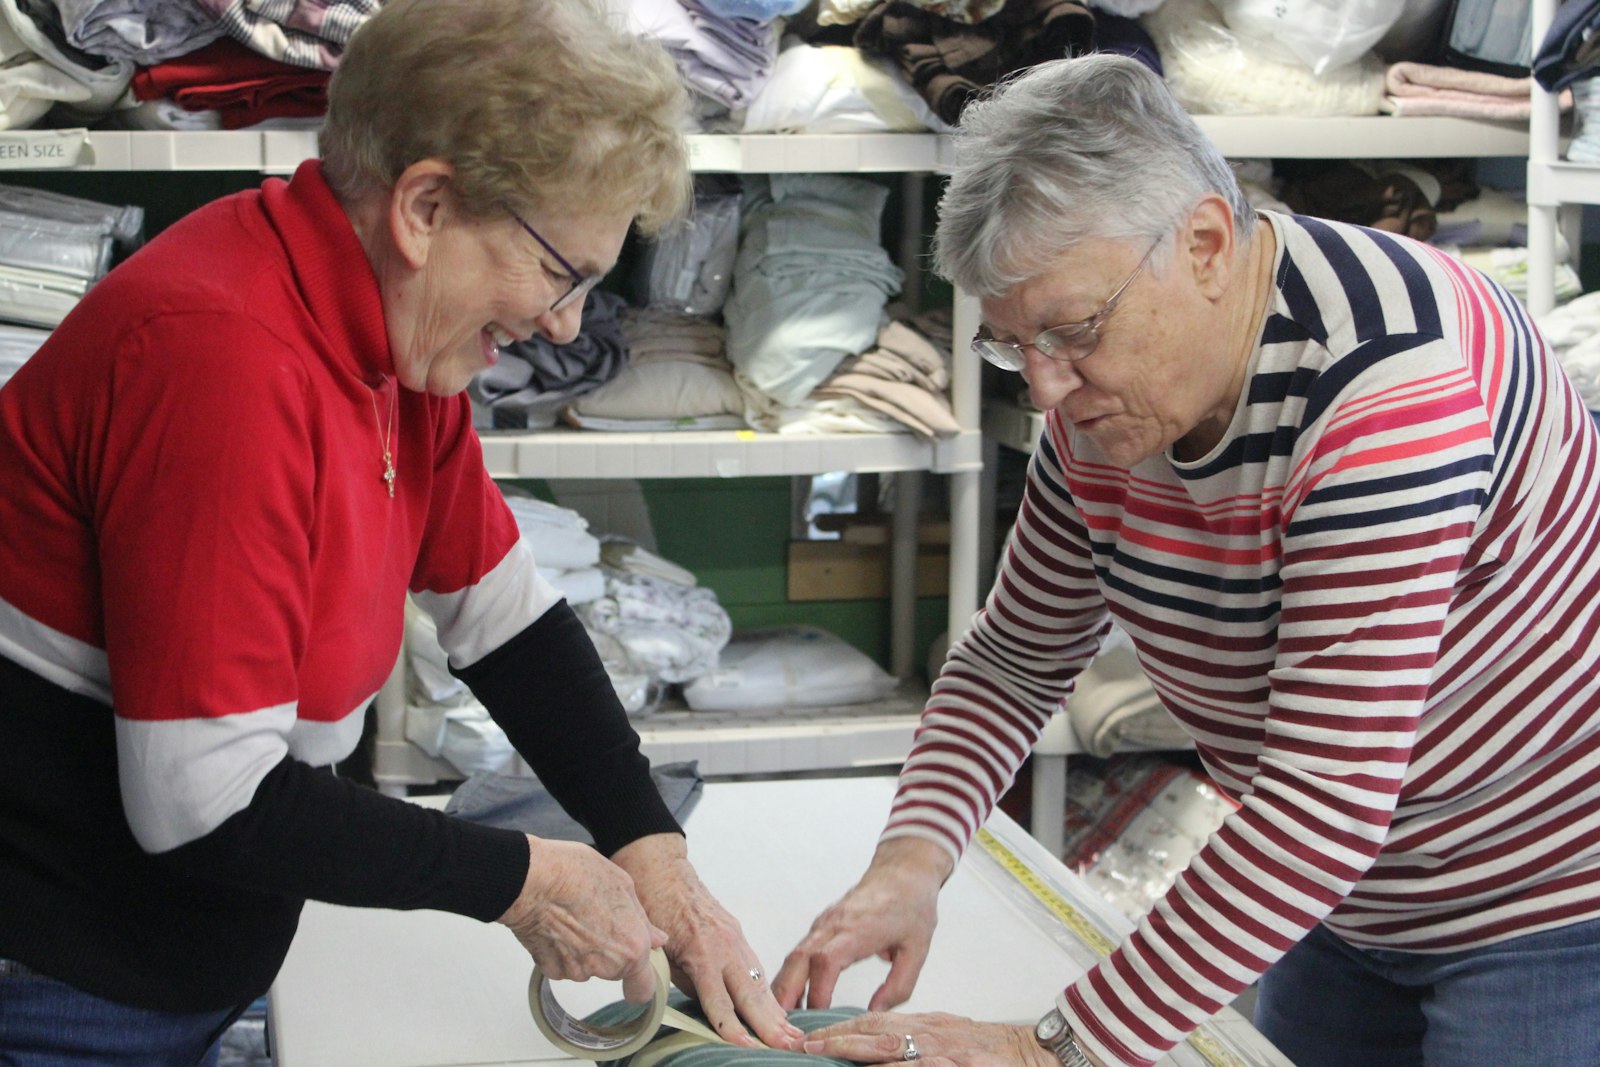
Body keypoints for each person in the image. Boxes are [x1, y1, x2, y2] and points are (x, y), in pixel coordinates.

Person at [0, 0, 805, 1063]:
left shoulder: (391, 338)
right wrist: (525, 880)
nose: (564, 324)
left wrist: (649, 845)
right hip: (64, 975)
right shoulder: (221, 360)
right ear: (425, 205)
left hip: (176, 947)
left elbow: (506, 618)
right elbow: (205, 801)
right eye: (560, 274)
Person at [775, 53, 1600, 1067]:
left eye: (1072, 331)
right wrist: (908, 861)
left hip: (1549, 898)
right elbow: (1013, 659)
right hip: (1346, 897)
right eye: (1009, 345)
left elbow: (1323, 797)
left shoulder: (1388, 389)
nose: (1042, 389)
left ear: (1206, 242)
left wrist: (1052, 1048)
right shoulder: (1106, 390)